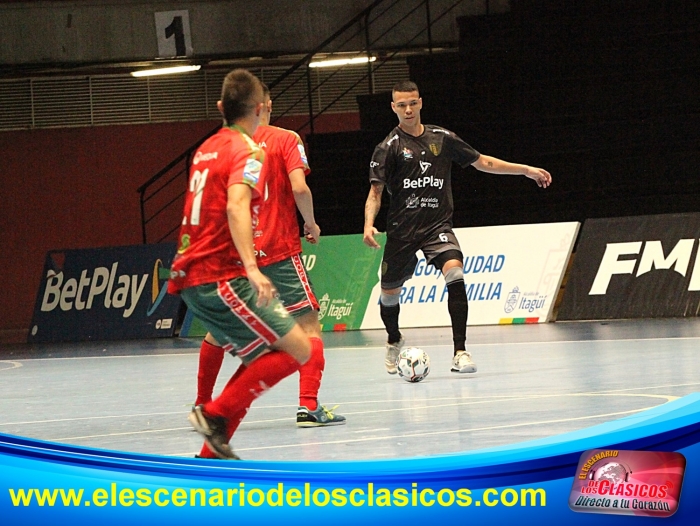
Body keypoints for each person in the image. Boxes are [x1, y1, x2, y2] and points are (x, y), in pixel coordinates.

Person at [168, 69, 316, 460]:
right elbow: (236, 204)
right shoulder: (249, 150)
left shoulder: (205, 148)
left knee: (260, 360)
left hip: (190, 273)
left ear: (221, 107)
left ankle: (210, 456)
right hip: (218, 273)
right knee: (299, 348)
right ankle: (213, 414)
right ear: (260, 107)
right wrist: (251, 267)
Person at [363, 80, 551, 375]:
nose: (408, 109)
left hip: (437, 225)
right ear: (393, 108)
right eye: (402, 105)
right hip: (402, 231)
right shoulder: (388, 147)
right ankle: (394, 338)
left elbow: (482, 162)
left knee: (455, 271)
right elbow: (375, 192)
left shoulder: (443, 138)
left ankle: (460, 351)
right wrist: (368, 225)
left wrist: (525, 170)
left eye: (413, 103)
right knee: (389, 294)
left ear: (421, 102)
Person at [193, 84, 346, 428]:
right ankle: (308, 406)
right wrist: (311, 223)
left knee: (218, 332)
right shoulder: (286, 139)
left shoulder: (223, 145)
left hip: (237, 253)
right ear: (267, 106)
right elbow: (300, 187)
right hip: (278, 249)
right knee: (308, 328)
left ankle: (204, 405)